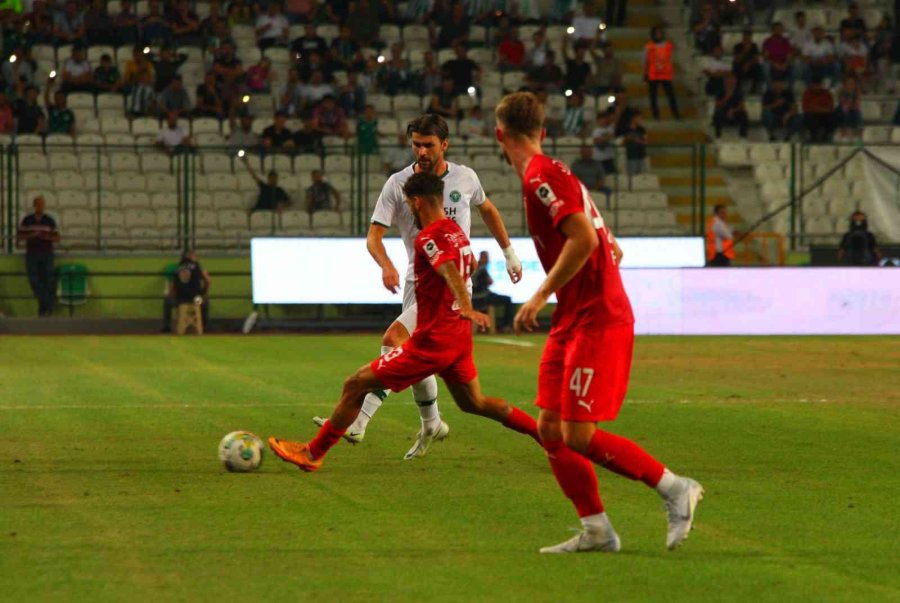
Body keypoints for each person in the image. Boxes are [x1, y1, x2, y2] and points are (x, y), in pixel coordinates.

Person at [494, 91, 703, 553]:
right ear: (542, 132)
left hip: (597, 316)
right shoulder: (553, 173)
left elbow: (584, 237)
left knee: (578, 435)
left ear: (499, 134)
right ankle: (596, 529)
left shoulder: (541, 176)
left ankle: (675, 488)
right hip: (574, 316)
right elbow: (598, 232)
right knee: (549, 429)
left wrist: (539, 295)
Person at [270, 171, 540, 478]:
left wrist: (466, 306)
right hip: (458, 338)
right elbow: (468, 264)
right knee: (475, 403)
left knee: (355, 383)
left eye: (409, 204)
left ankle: (313, 453)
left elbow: (449, 269)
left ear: (417, 201)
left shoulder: (428, 236)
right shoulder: (455, 231)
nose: (409, 209)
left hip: (433, 341)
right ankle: (544, 435)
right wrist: (463, 308)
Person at [312, 114, 523, 458]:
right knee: (420, 360)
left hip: (451, 286)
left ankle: (360, 423)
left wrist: (510, 253)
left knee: (394, 341)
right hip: (417, 283)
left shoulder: (465, 177)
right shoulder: (398, 183)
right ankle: (431, 423)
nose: (421, 151)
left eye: (428, 144)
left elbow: (488, 210)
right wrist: (386, 265)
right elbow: (374, 236)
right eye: (416, 144)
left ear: (444, 145)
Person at [16, 196, 60, 316]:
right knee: (34, 280)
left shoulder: (49, 220)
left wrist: (45, 237)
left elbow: (56, 237)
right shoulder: (27, 220)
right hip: (32, 254)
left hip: (46, 253)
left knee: (47, 280)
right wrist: (32, 235)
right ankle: (47, 304)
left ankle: (43, 308)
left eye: (42, 204)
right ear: (34, 205)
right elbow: (19, 236)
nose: (41, 207)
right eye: (38, 204)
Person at [162, 250, 211, 333]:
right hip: (196, 300)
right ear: (191, 256)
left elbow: (172, 286)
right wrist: (203, 293)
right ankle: (204, 327)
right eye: (195, 256)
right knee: (205, 303)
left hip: (180, 299)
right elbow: (208, 281)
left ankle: (167, 327)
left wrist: (173, 295)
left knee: (167, 301)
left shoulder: (177, 268)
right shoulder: (196, 266)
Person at [471, 251, 514, 332]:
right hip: (482, 297)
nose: (488, 260)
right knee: (508, 300)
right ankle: (506, 325)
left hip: (473, 297)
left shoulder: (474, 266)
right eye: (486, 257)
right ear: (482, 257)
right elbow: (490, 282)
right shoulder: (482, 268)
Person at [644, 26, 680, 120]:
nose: (659, 35)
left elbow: (672, 58)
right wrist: (646, 72)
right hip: (653, 74)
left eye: (660, 33)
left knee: (671, 96)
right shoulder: (649, 46)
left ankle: (676, 114)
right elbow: (645, 60)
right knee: (653, 97)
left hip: (665, 74)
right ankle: (656, 116)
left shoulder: (668, 45)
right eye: (657, 33)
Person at [712, 73, 749, 139]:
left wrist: (733, 110)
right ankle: (718, 134)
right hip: (723, 112)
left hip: (735, 111)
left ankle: (743, 136)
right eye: (728, 80)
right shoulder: (720, 91)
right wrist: (726, 97)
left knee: (744, 114)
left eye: (732, 80)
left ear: (735, 82)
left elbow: (742, 106)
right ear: (725, 82)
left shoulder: (738, 92)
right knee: (717, 113)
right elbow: (717, 105)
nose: (730, 82)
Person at [802, 76, 836, 143]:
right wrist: (820, 109)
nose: (817, 87)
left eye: (818, 85)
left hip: (824, 116)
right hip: (812, 116)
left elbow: (831, 109)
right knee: (808, 117)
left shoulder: (827, 93)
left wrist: (817, 109)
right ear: (812, 85)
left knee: (833, 117)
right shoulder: (807, 93)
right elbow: (806, 108)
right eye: (815, 85)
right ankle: (814, 138)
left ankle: (827, 137)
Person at [761, 22, 794, 86]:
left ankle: (790, 91)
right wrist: (774, 64)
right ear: (773, 31)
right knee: (766, 66)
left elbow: (789, 55)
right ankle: (769, 90)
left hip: (784, 63)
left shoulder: (785, 41)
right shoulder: (768, 41)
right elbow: (766, 57)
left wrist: (785, 65)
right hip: (772, 64)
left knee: (793, 67)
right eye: (776, 29)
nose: (778, 31)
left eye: (780, 29)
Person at [590, 109, 617, 175]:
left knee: (612, 176)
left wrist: (604, 138)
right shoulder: (596, 131)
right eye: (602, 119)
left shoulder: (610, 128)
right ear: (598, 121)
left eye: (605, 119)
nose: (604, 121)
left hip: (609, 158)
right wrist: (608, 137)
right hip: (599, 159)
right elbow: (598, 142)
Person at [623, 112, 648, 177]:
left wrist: (635, 139)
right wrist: (634, 139)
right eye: (639, 118)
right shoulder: (626, 129)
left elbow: (645, 141)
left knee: (641, 176)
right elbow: (625, 140)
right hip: (631, 156)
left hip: (641, 155)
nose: (641, 119)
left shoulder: (642, 129)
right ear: (634, 118)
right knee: (632, 177)